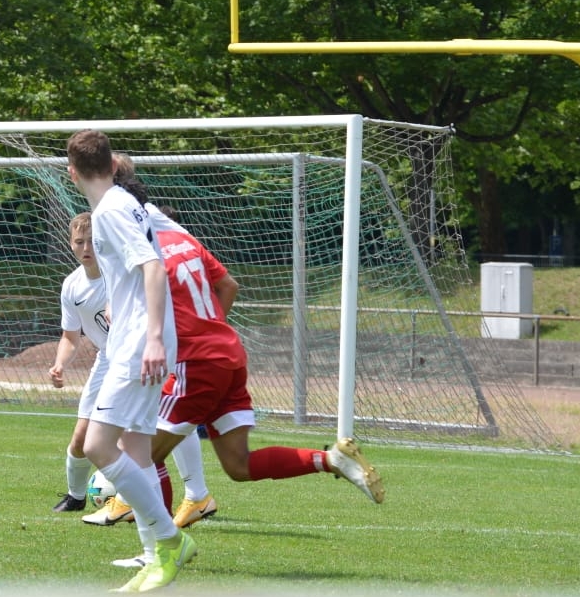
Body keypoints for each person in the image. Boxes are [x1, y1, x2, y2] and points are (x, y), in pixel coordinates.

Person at [105, 181, 383, 567]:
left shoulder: (144, 253)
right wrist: (209, 330)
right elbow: (228, 285)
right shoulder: (184, 242)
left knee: (140, 454)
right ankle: (330, 459)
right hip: (228, 355)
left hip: (196, 363)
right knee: (238, 466)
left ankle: (159, 551)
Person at [65, 129, 193, 593]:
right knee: (136, 449)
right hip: (134, 336)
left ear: (72, 172)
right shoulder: (126, 202)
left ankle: (171, 539)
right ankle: (154, 557)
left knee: (98, 446)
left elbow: (153, 267)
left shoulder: (110, 211)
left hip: (140, 341)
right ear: (113, 165)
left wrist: (153, 336)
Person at [48, 211, 110, 514]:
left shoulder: (120, 274)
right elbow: (70, 337)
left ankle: (192, 493)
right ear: (70, 244)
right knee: (81, 439)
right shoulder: (72, 286)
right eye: (80, 241)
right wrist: (60, 364)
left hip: (138, 358)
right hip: (107, 360)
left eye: (93, 241)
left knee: (145, 436)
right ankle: (76, 497)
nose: (86, 248)